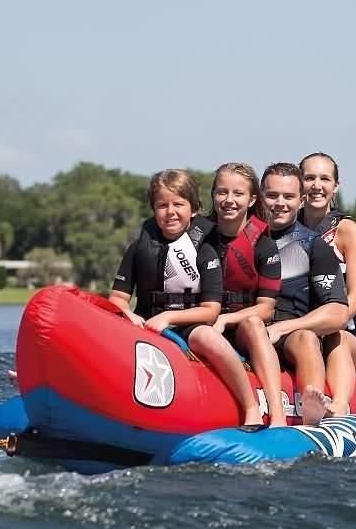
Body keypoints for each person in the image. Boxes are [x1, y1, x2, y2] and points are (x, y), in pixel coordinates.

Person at [108, 169, 262, 427]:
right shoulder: (138, 248)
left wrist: (169, 317)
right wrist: (129, 314)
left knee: (207, 336)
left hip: (189, 324)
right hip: (145, 324)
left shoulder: (205, 251)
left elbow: (211, 311)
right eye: (162, 205)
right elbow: (117, 298)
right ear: (153, 209)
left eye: (178, 204)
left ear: (193, 209)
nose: (170, 212)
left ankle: (250, 407)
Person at [261, 162, 349, 424]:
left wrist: (284, 327)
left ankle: (311, 413)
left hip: (288, 337)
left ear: (301, 201)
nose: (279, 203)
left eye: (288, 197)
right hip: (244, 330)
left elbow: (337, 313)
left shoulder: (314, 246)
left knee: (306, 338)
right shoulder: (239, 238)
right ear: (259, 196)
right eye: (272, 195)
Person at [209, 163, 286, 428]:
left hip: (242, 326)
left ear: (252, 199)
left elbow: (265, 309)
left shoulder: (264, 245)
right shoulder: (199, 237)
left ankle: (277, 415)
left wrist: (226, 320)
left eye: (238, 194)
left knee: (253, 323)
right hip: (202, 321)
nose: (229, 200)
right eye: (222, 192)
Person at [298, 152, 356, 416]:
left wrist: (329, 323)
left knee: (334, 340)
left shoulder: (347, 230)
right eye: (309, 178)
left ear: (335, 186)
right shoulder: (284, 226)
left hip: (342, 333)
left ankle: (339, 407)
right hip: (299, 331)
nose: (317, 185)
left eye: (324, 178)